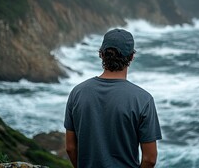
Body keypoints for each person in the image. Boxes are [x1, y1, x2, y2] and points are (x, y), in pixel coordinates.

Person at [64, 28, 162, 168]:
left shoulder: (77, 93)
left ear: (101, 54)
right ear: (131, 57)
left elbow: (70, 148)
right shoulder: (143, 100)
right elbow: (150, 159)